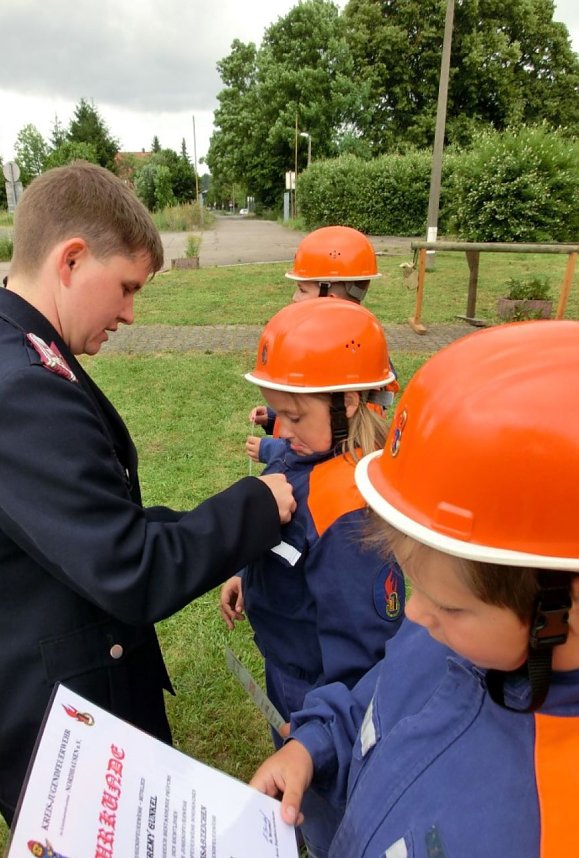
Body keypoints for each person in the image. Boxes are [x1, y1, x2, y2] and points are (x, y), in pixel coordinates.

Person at [0, 161, 295, 827]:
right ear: (70, 261)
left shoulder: (13, 353)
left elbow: (89, 522)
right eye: (126, 287)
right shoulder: (18, 389)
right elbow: (129, 566)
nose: (131, 312)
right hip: (51, 724)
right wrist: (256, 506)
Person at [250, 320, 579, 858]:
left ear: (561, 609)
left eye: (449, 604)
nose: (415, 614)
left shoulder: (547, 828)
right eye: (413, 584)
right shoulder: (449, 635)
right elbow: (378, 694)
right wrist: (312, 746)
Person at [220, 298, 406, 857]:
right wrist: (246, 574)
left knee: (324, 804)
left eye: (295, 416)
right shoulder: (308, 452)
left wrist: (319, 738)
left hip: (323, 690)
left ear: (350, 402)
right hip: (287, 670)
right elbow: (285, 532)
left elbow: (363, 662)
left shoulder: (349, 516)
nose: (285, 429)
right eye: (277, 413)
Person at [250, 226, 395, 437]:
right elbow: (312, 406)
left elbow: (326, 440)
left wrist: (272, 450)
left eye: (302, 289)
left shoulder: (347, 353)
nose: (294, 298)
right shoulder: (338, 341)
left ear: (329, 295)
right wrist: (275, 418)